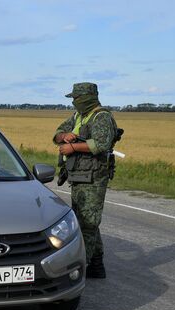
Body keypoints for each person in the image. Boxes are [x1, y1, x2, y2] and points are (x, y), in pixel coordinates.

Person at [53, 82, 119, 279]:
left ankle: (84, 265)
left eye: (76, 98)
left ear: (87, 98)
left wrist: (73, 148)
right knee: (85, 218)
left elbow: (101, 143)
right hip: (78, 175)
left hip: (94, 177)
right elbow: (57, 134)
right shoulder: (78, 116)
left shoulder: (101, 117)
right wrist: (65, 136)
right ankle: (97, 266)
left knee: (87, 224)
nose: (74, 102)